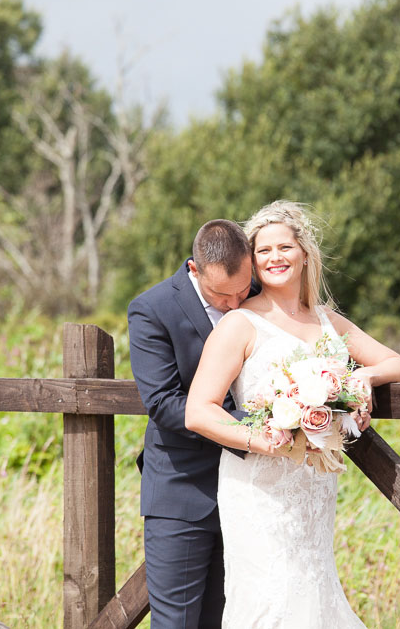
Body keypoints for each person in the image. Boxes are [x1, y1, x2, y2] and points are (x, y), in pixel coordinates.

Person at [185, 201, 400, 627]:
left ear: (304, 253)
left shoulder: (328, 322)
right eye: (263, 251)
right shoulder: (239, 324)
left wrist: (361, 378)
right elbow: (198, 412)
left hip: (313, 488)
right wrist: (264, 440)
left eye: (284, 247)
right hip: (257, 490)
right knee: (270, 603)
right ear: (251, 262)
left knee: (313, 594)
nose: (275, 258)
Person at [127, 219, 256, 628]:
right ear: (194, 269)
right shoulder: (153, 309)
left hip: (254, 492)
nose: (236, 303)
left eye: (243, 290)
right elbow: (164, 403)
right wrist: (258, 428)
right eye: (223, 294)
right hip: (182, 491)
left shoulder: (258, 295)